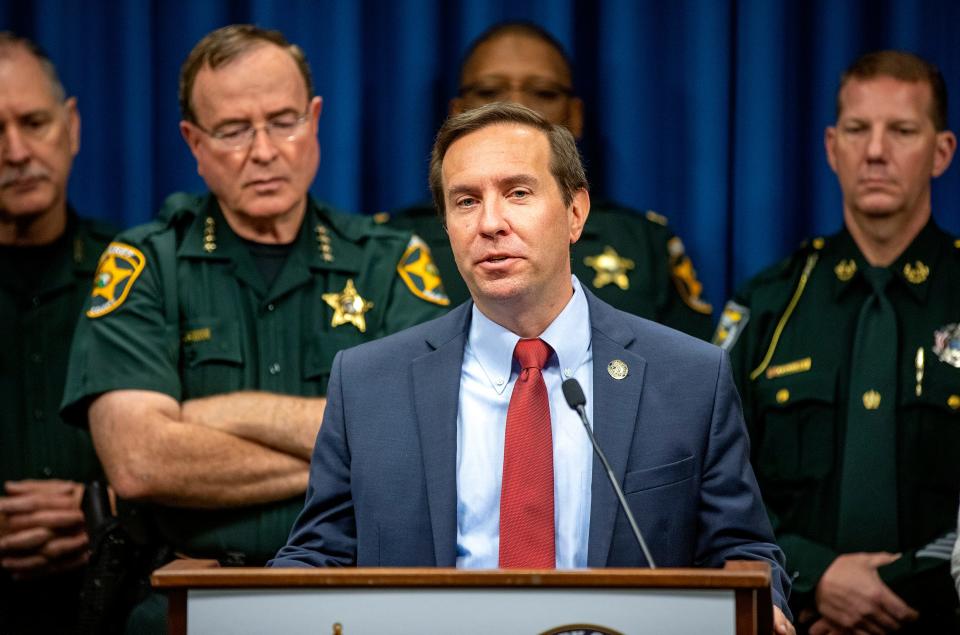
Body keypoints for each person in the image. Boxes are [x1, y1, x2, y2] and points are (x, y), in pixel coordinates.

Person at [272, 102, 795, 634]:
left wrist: (761, 603)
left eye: (518, 193)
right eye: (466, 201)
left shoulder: (689, 377)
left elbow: (741, 549)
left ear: (575, 212)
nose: (490, 223)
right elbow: (320, 556)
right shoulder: (368, 382)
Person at [59, 24, 447, 632]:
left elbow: (429, 446)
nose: (264, 150)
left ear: (315, 119)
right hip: (188, 596)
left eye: (284, 121)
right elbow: (140, 461)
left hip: (355, 601)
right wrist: (353, 454)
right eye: (234, 130)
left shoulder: (390, 264)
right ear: (193, 141)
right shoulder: (147, 265)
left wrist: (211, 415)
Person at [714, 50, 960, 633]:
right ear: (831, 147)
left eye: (902, 130)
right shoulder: (768, 306)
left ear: (942, 151)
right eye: (857, 130)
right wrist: (817, 577)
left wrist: (886, 593)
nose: (876, 151)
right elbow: (714, 478)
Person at [384, 22, 714, 339]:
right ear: (456, 112)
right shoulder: (390, 244)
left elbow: (685, 377)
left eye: (543, 92)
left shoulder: (644, 244)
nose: (514, 104)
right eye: (488, 91)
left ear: (575, 115)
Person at [0, 32, 117, 634]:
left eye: (35, 122)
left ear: (70, 126)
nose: (17, 151)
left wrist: (101, 508)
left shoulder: (139, 271)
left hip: (113, 603)